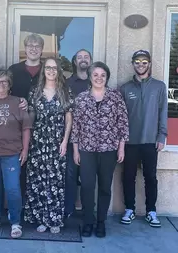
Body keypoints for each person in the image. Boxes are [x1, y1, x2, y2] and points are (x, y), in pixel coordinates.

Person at [71, 61, 129, 238]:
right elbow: (76, 126)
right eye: (95, 74)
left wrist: (121, 148)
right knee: (87, 186)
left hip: (108, 149)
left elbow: (123, 123)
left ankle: (101, 222)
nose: (99, 78)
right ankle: (88, 221)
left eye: (102, 75)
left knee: (104, 186)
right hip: (86, 149)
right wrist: (75, 150)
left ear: (107, 77)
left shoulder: (115, 97)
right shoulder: (81, 98)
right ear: (90, 77)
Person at [24, 57, 74, 234]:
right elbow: (30, 115)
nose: (51, 71)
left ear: (58, 71)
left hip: (57, 142)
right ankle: (41, 219)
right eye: (48, 67)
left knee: (55, 181)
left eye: (54, 68)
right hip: (38, 141)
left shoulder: (65, 90)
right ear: (43, 70)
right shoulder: (35, 91)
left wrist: (65, 140)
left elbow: (69, 117)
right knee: (38, 180)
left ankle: (54, 219)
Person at [120, 50, 168, 228]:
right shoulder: (124, 88)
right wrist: (121, 141)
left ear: (149, 64)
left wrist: (162, 135)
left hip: (151, 140)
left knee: (150, 177)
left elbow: (163, 112)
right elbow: (120, 117)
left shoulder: (159, 87)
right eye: (137, 62)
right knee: (128, 176)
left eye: (144, 62)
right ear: (133, 64)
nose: (141, 65)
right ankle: (129, 209)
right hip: (129, 142)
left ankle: (151, 211)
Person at [0, 69, 32, 239]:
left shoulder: (18, 102)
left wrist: (25, 149)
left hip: (12, 152)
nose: (1, 85)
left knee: (12, 188)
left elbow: (26, 127)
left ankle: (15, 222)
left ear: (10, 85)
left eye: (4, 82)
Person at [8, 33, 44, 201]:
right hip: (17, 127)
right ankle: (19, 207)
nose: (33, 49)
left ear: (42, 50)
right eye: (30, 45)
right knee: (19, 165)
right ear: (25, 48)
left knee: (39, 169)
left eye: (37, 46)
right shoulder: (14, 70)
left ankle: (36, 205)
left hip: (44, 127)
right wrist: (18, 101)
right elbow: (4, 95)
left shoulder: (48, 70)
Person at [65, 49, 92, 217]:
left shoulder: (96, 81)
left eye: (86, 57)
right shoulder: (67, 83)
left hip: (91, 139)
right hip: (71, 137)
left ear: (90, 61)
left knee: (88, 178)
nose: (83, 60)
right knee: (70, 175)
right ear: (75, 61)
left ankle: (87, 211)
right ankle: (68, 210)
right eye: (80, 57)